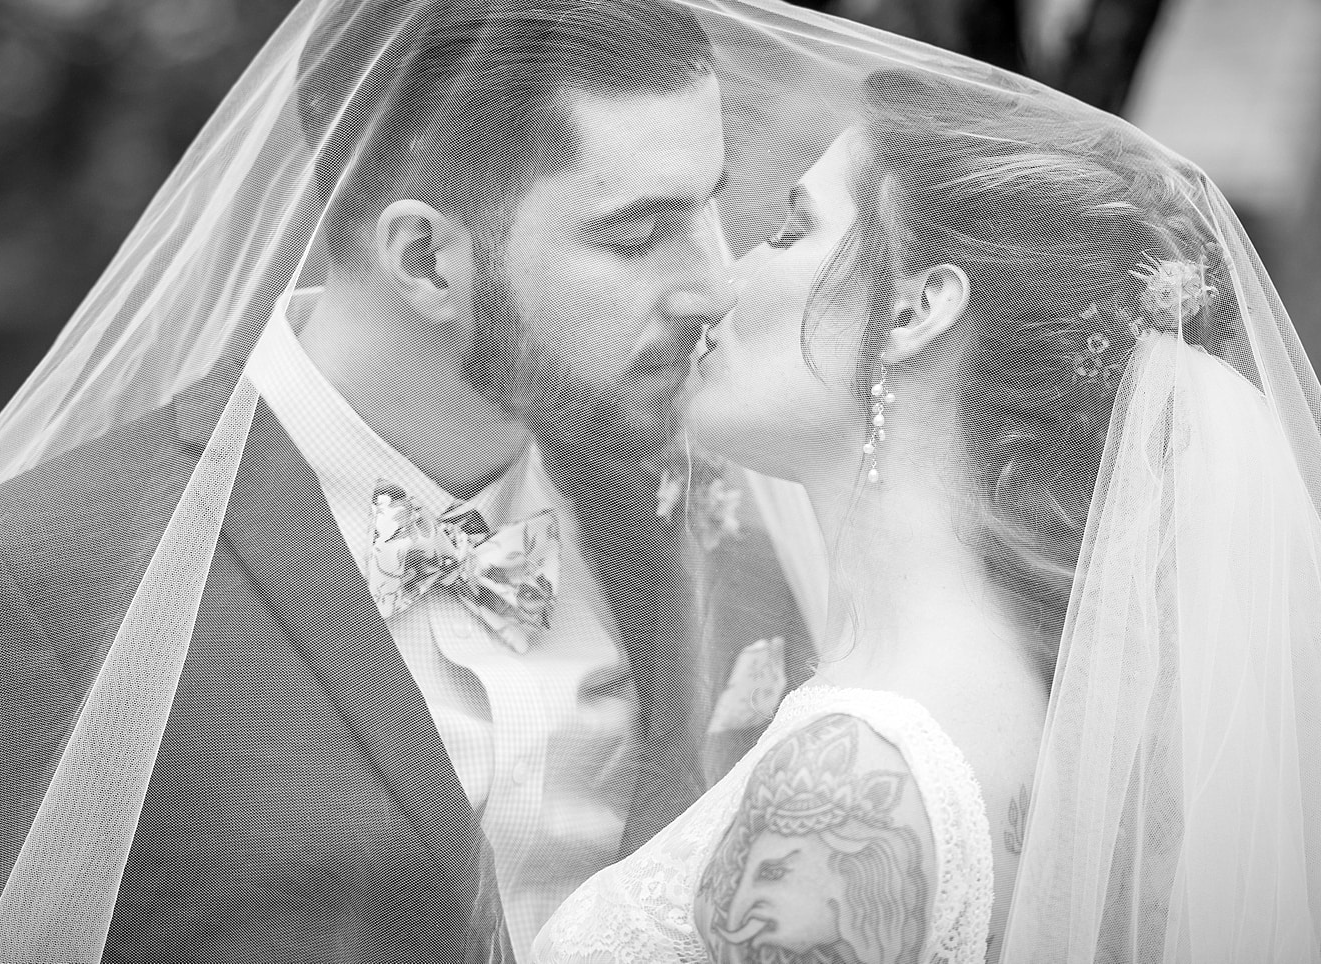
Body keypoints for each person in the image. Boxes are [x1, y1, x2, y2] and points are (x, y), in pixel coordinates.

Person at [0, 0, 804, 964]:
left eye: (711, 210)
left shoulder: (709, 522)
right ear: (424, 260)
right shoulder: (27, 592)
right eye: (637, 235)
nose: (715, 283)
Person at [535, 65, 1321, 962]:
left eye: (791, 231)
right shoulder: (1033, 718)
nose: (723, 284)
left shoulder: (851, 781)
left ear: (916, 309)